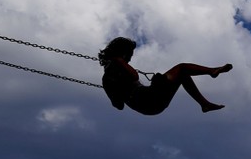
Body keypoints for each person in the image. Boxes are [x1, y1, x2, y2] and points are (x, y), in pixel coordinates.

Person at [99, 37, 232, 115]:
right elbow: (134, 77)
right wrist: (120, 61)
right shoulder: (118, 66)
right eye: (129, 55)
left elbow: (118, 105)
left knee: (183, 74)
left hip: (150, 106)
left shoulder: (106, 80)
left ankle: (205, 104)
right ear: (122, 54)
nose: (130, 59)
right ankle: (211, 72)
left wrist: (117, 94)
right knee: (182, 68)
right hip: (148, 99)